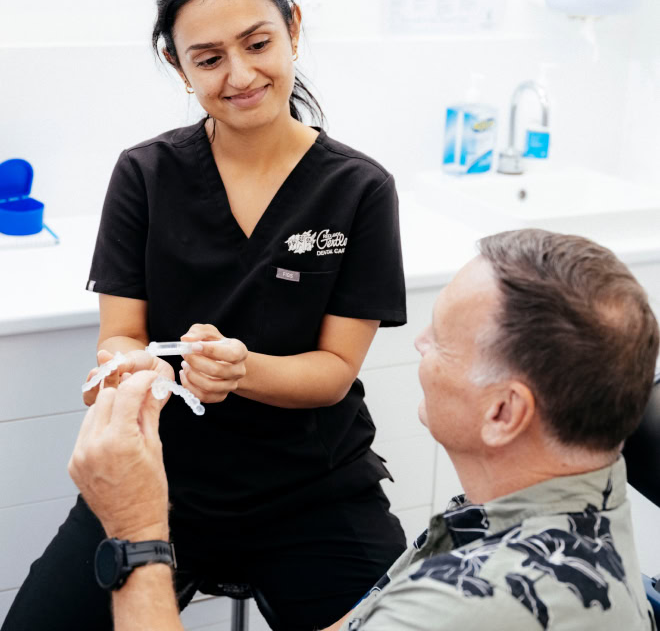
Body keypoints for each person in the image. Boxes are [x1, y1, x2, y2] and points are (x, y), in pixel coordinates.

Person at [2, 0, 407, 631]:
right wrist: (129, 372)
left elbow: (336, 370)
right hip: (156, 480)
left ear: (294, 28)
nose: (241, 75)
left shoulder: (358, 189)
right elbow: (121, 336)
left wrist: (242, 370)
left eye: (257, 43)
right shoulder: (146, 175)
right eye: (210, 58)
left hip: (313, 486)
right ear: (177, 64)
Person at [67, 229, 659, 631]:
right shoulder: (554, 506)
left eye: (441, 342)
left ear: (504, 413)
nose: (420, 346)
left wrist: (136, 533)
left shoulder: (470, 606)